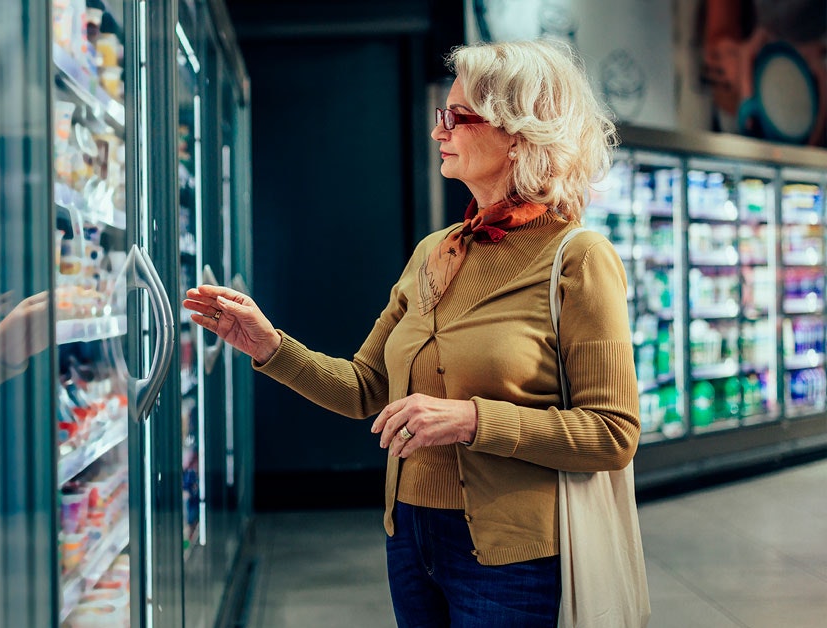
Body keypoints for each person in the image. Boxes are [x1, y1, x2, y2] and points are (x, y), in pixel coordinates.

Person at [183, 38, 640, 627]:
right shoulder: (435, 251)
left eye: (458, 117)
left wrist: (471, 419)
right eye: (439, 115)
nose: (439, 131)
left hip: (515, 559)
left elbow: (613, 433)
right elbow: (365, 388)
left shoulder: (578, 259)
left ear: (521, 134)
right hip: (411, 540)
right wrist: (269, 345)